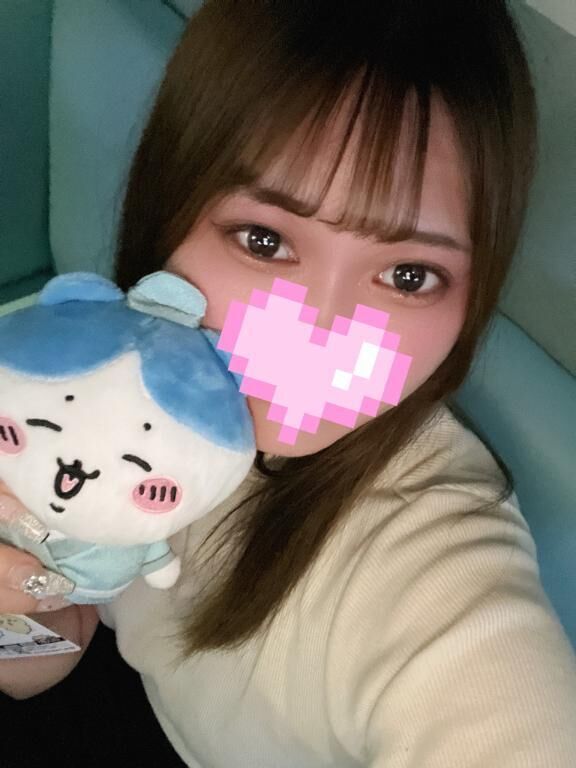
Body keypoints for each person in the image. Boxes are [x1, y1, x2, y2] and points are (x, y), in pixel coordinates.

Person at [1, 0, 576, 765]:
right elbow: (47, 655)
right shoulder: (94, 385)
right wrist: (31, 609)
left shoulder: (431, 559)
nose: (322, 333)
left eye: (409, 275)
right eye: (264, 240)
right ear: (167, 214)